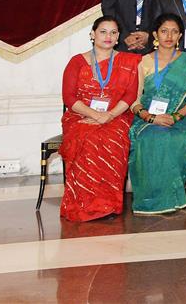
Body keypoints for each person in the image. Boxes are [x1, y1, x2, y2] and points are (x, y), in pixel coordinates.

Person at [59, 17, 141, 221]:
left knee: (111, 139)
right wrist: (96, 115)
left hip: (117, 115)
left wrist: (109, 115)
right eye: (103, 32)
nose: (108, 37)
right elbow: (69, 97)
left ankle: (107, 204)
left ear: (118, 37)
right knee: (86, 138)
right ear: (92, 34)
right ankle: (84, 203)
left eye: (113, 33)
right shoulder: (77, 62)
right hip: (81, 115)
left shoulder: (129, 61)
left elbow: (130, 95)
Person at [128, 14, 186, 214]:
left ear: (180, 35)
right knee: (148, 138)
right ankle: (149, 198)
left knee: (173, 139)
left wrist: (175, 117)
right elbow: (134, 100)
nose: (169, 36)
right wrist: (149, 117)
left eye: (174, 31)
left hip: (179, 119)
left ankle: (170, 197)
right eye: (164, 31)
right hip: (146, 119)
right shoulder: (143, 62)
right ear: (155, 34)